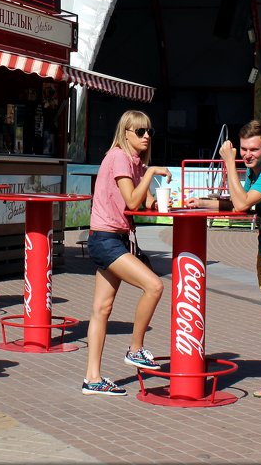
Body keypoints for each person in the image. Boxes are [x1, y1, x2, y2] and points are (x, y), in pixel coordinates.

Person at [191, 120, 261, 411]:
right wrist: (203, 204)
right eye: (243, 149)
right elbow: (241, 202)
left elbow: (241, 204)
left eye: (253, 149)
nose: (247, 154)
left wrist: (229, 162)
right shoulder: (258, 171)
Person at [82, 110, 168, 397]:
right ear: (126, 133)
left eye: (149, 132)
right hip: (107, 239)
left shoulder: (135, 163)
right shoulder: (119, 156)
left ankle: (92, 379)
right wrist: (153, 172)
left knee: (101, 309)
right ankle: (136, 349)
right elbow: (132, 198)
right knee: (154, 286)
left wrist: (157, 192)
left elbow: (144, 204)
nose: (145, 136)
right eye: (139, 132)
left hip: (113, 237)